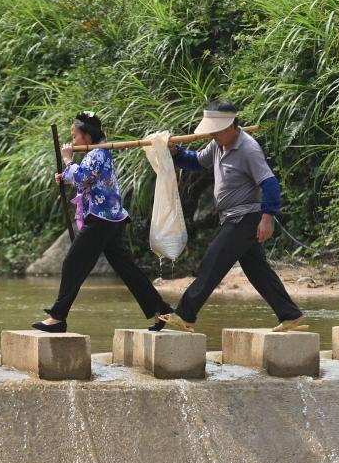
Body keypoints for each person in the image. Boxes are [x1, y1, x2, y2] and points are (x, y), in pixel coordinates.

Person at [158, 100, 306, 333]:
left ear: (229, 127)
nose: (212, 135)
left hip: (245, 218)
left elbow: (270, 184)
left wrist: (266, 219)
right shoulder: (218, 145)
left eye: (215, 131)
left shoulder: (248, 149)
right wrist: (175, 152)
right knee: (258, 271)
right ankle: (290, 314)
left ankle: (185, 314)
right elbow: (196, 162)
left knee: (212, 262)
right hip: (232, 217)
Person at [32, 111, 174, 333]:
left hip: (101, 219)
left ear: (87, 137)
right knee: (126, 268)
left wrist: (68, 160)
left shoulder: (97, 153)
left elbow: (82, 177)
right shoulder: (100, 153)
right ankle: (161, 310)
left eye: (75, 136)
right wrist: (66, 175)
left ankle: (58, 317)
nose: (73, 141)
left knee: (73, 263)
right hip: (111, 218)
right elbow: (86, 181)